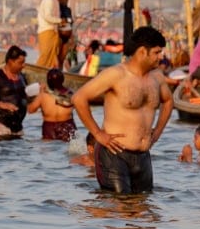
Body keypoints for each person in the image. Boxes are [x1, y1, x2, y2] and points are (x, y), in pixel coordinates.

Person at [72, 26, 174, 194]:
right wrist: (98, 134)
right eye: (156, 52)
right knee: (118, 210)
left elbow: (169, 101)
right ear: (142, 52)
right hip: (114, 154)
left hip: (143, 157)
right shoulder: (116, 74)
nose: (160, 57)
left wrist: (158, 132)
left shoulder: (157, 77)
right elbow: (79, 98)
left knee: (144, 211)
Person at [27, 68, 76, 141]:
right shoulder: (71, 94)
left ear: (48, 81)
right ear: (62, 80)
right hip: (68, 126)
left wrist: (39, 93)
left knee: (49, 149)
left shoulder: (43, 96)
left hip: (49, 128)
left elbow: (30, 110)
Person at [35, 0, 68, 69]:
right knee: (45, 55)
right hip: (46, 31)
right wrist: (60, 21)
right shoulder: (48, 0)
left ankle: (50, 75)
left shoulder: (54, 1)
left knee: (52, 57)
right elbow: (47, 16)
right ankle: (37, 72)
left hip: (52, 31)